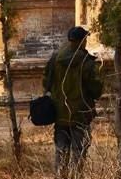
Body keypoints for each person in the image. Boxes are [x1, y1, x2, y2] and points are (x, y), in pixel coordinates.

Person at [43, 26, 103, 179]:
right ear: (82, 41)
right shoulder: (87, 62)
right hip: (80, 115)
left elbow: (46, 83)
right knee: (79, 152)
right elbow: (96, 91)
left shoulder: (55, 59)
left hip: (59, 114)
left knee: (61, 152)